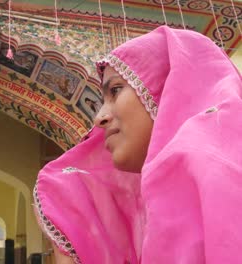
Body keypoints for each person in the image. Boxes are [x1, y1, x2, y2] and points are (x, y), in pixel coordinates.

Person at [34, 26, 242, 263]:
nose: (99, 118)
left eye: (116, 90)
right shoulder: (151, 207)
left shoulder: (214, 175)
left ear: (168, 91)